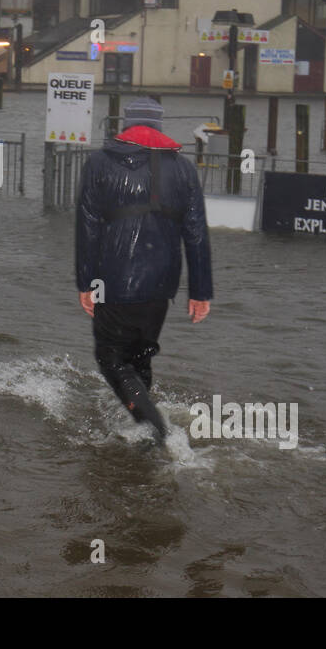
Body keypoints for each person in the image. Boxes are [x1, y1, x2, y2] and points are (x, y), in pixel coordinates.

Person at [75, 96, 213, 443]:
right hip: (161, 284)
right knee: (140, 356)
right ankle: (143, 432)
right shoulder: (183, 169)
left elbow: (87, 227)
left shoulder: (98, 164)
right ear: (158, 128)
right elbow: (196, 233)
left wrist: (86, 282)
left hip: (113, 279)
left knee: (111, 358)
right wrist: (200, 291)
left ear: (127, 126)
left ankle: (155, 429)